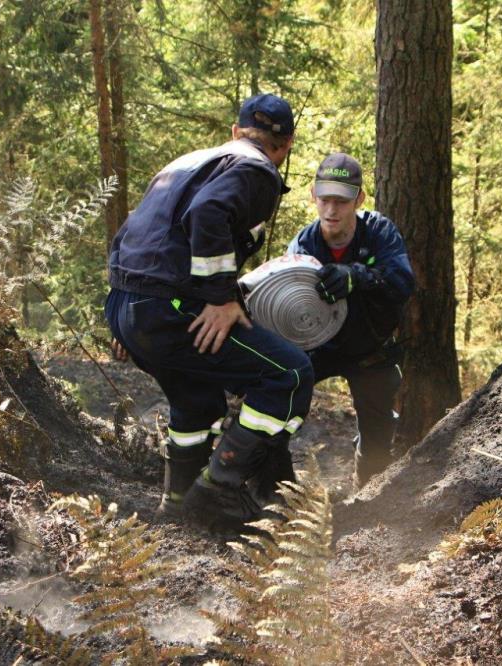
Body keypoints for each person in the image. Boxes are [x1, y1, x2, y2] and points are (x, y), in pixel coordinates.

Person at [105, 93, 314, 529]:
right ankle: (217, 492)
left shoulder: (187, 163)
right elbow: (209, 212)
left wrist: (128, 318)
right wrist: (220, 297)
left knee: (196, 402)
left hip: (128, 302)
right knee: (289, 374)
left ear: (235, 131)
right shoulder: (257, 168)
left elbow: (134, 232)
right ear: (287, 144)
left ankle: (176, 508)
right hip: (166, 307)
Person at [286, 153, 415, 489]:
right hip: (317, 347)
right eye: (325, 199)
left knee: (377, 437)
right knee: (279, 400)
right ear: (313, 195)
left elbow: (403, 283)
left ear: (358, 198)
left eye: (341, 201)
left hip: (370, 347)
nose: (331, 211)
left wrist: (358, 276)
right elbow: (283, 305)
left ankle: (367, 501)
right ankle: (274, 486)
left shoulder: (379, 233)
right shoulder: (303, 244)